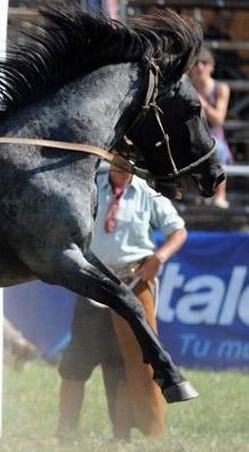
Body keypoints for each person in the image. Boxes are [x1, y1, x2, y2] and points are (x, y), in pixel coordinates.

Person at [56, 165, 188, 442]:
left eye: (129, 156)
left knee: (124, 362)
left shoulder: (149, 192)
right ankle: (65, 431)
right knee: (76, 360)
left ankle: (121, 435)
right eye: (118, 153)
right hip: (93, 282)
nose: (122, 161)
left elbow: (178, 231)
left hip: (132, 283)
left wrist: (159, 258)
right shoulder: (90, 184)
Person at [190, 47, 232, 209]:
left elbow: (219, 119)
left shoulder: (221, 88)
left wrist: (203, 103)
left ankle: (220, 196)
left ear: (211, 66)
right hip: (192, 134)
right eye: (196, 63)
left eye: (204, 63)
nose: (200, 67)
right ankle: (195, 195)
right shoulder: (187, 87)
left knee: (217, 149)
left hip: (214, 136)